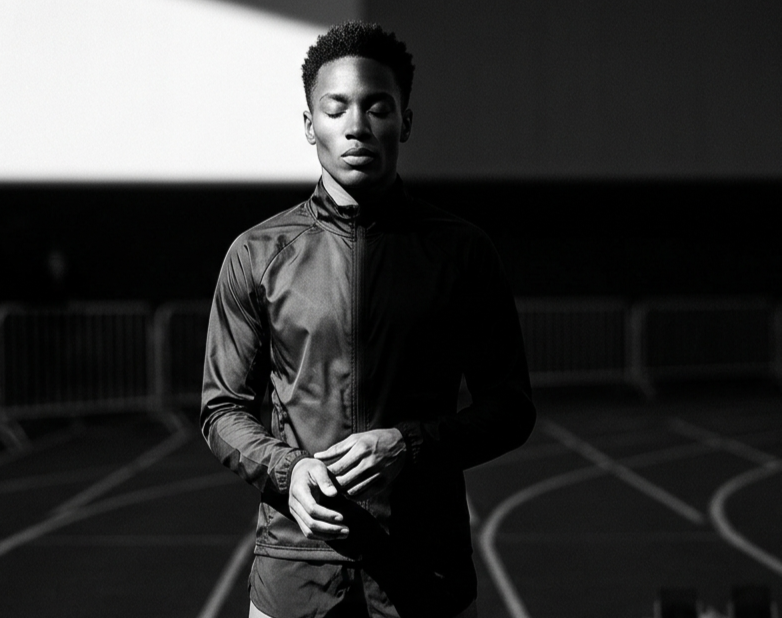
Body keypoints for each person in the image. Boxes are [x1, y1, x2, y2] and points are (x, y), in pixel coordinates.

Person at [200, 21, 536, 618]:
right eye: (336, 109)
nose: (356, 125)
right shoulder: (257, 253)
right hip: (295, 571)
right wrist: (289, 469)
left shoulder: (461, 253)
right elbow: (221, 408)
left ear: (405, 120)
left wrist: (409, 444)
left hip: (426, 570)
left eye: (377, 106)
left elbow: (510, 407)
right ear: (310, 125)